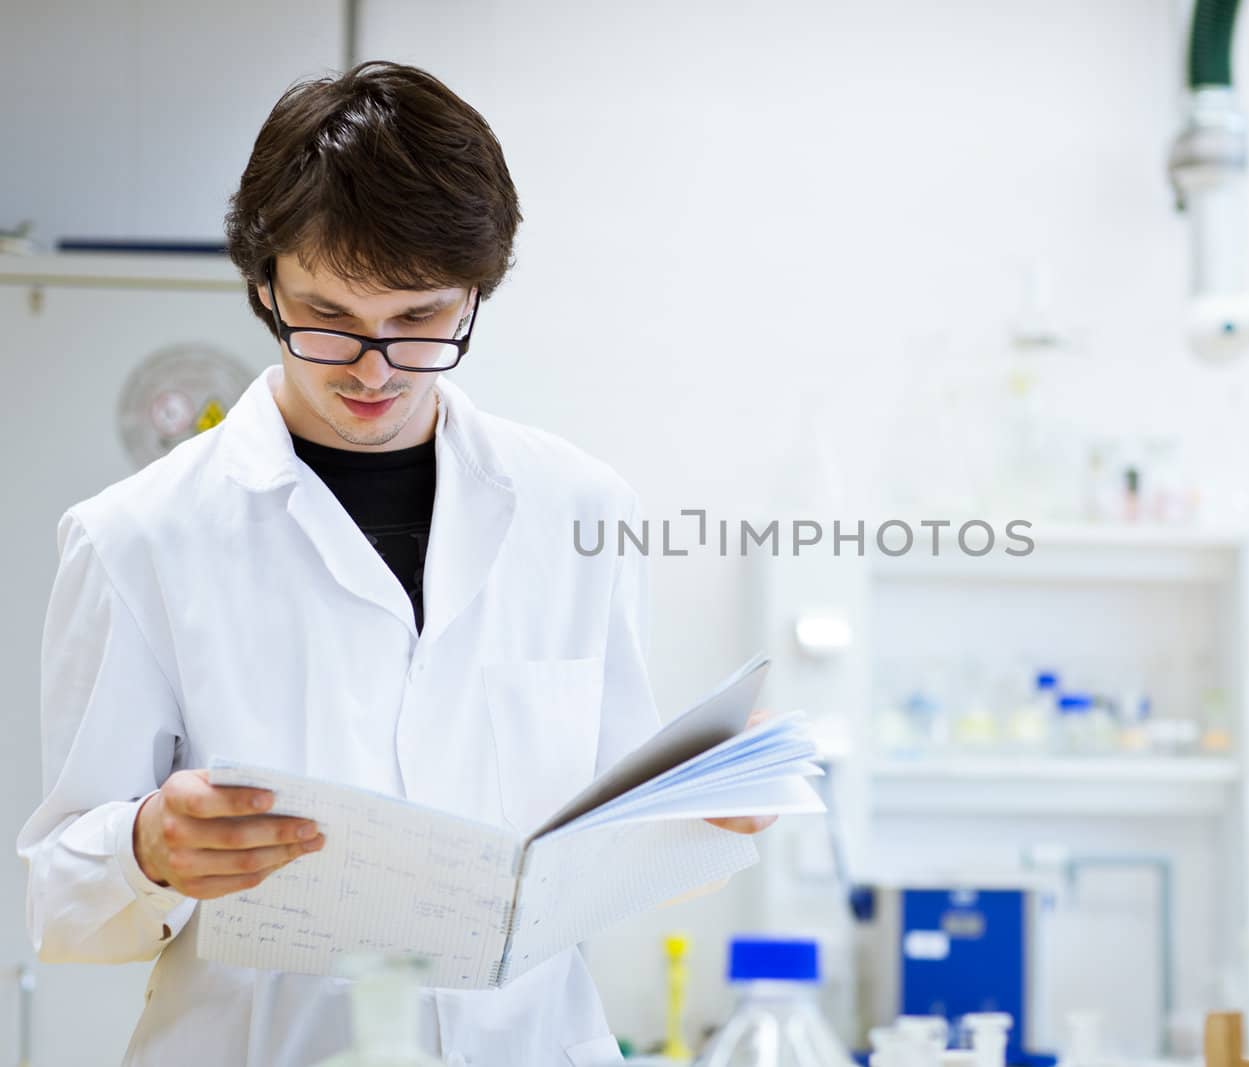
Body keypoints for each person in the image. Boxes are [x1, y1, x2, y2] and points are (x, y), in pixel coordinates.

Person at [15, 60, 771, 1067]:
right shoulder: (138, 534)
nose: (373, 368)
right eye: (328, 317)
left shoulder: (577, 507)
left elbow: (613, 843)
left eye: (418, 320)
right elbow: (63, 904)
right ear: (261, 284)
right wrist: (148, 846)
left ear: (474, 294)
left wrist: (706, 812)